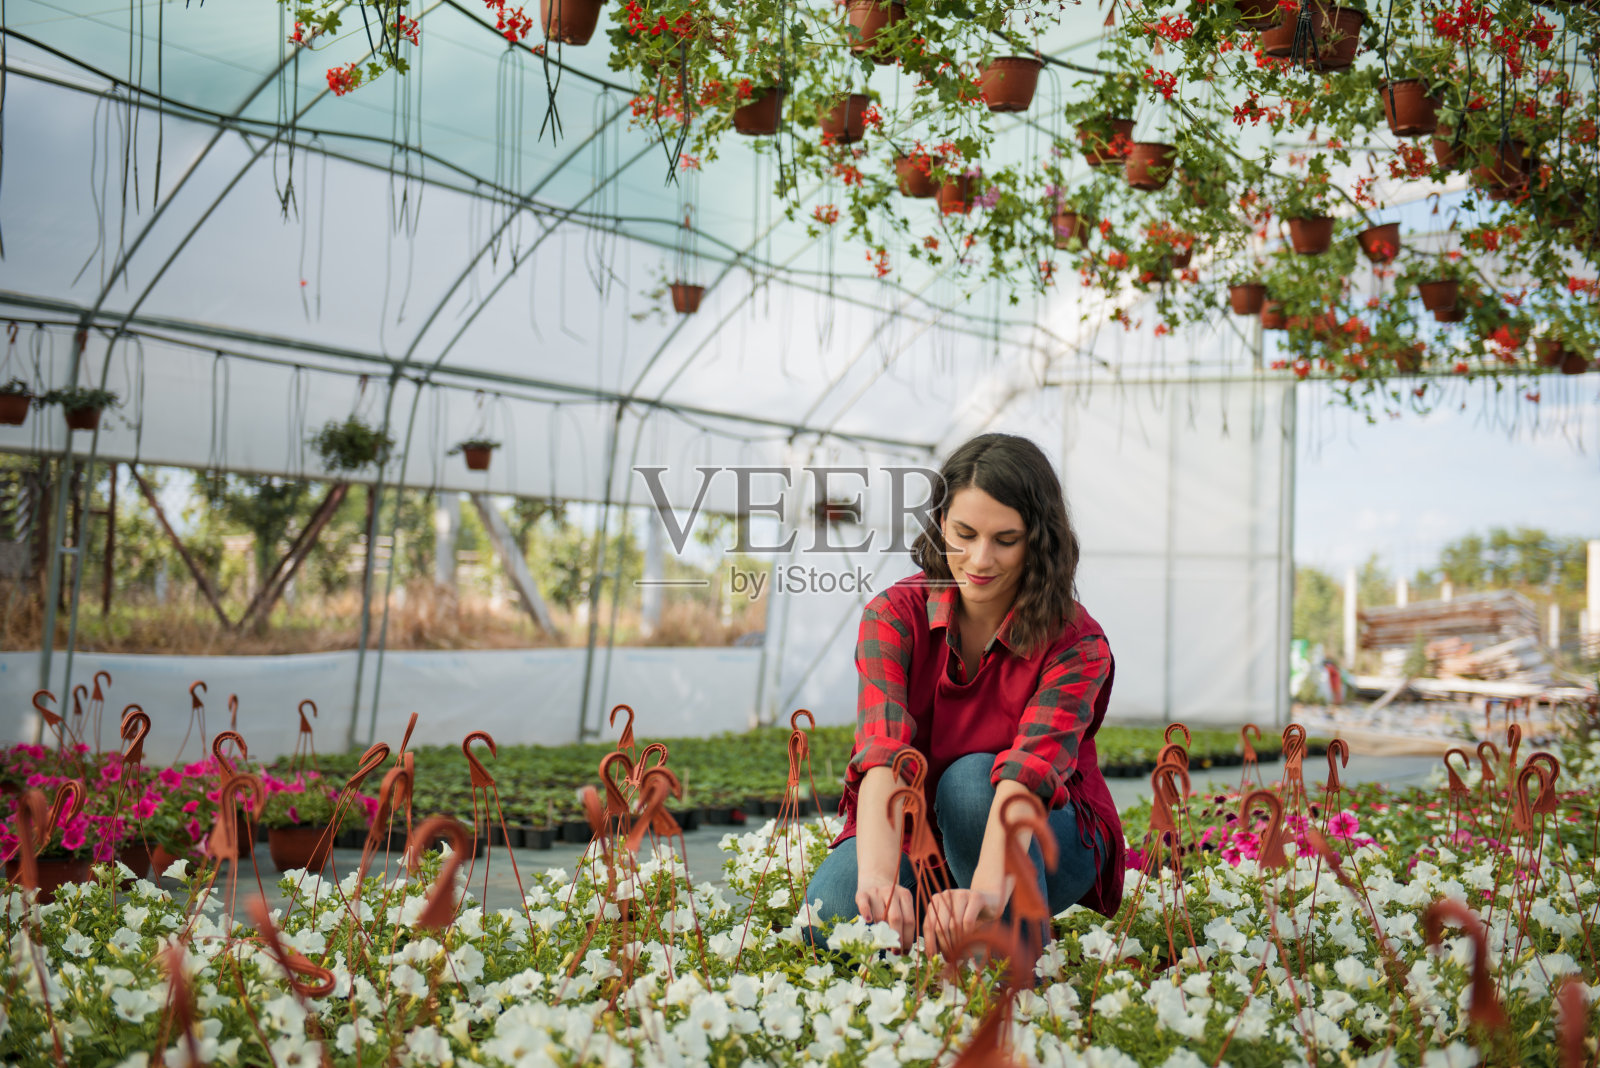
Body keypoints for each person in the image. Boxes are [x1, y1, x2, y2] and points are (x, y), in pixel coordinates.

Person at [803, 433, 1124, 953]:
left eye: (1005, 539)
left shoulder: (1075, 644)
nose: (979, 558)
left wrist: (990, 892)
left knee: (971, 783)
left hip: (1040, 832)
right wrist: (881, 882)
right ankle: (944, 908)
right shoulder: (893, 616)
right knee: (833, 917)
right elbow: (883, 753)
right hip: (919, 825)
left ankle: (1013, 951)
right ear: (941, 525)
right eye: (964, 533)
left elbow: (1029, 774)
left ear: (1037, 541)